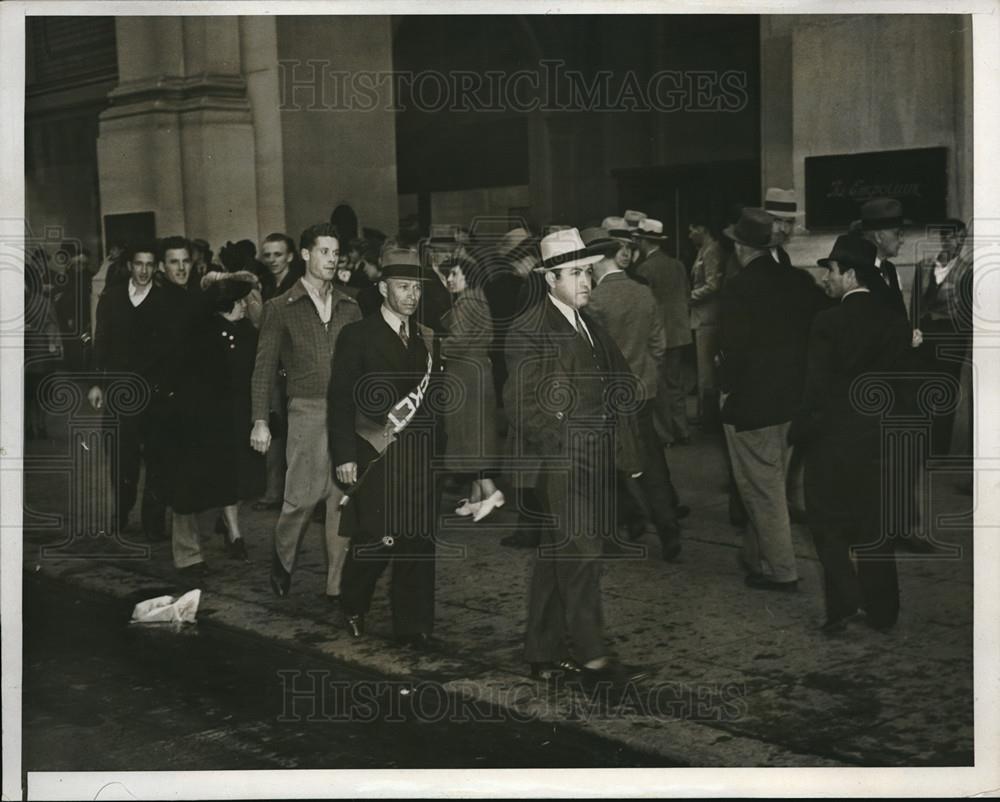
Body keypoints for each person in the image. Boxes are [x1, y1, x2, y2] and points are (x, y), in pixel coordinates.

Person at [505, 227, 646, 693]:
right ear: (549, 279)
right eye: (574, 273)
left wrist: (624, 446)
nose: (585, 280)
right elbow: (521, 403)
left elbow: (620, 382)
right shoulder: (530, 329)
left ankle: (543, 652)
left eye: (587, 271)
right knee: (582, 553)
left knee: (557, 554)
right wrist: (563, 443)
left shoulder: (590, 324)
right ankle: (593, 659)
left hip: (594, 454)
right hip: (564, 459)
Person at [791, 235, 911, 633]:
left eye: (832, 269)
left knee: (826, 524)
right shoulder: (895, 323)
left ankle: (843, 601)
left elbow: (815, 387)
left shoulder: (826, 321)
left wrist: (801, 432)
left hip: (832, 438)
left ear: (850, 274)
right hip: (878, 438)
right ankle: (883, 612)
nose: (827, 276)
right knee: (875, 526)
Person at [328, 247, 440, 647]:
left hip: (419, 455)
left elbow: (433, 403)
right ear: (382, 288)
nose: (411, 295)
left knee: (418, 541)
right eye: (403, 286)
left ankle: (414, 624)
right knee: (376, 539)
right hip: (376, 452)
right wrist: (343, 456)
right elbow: (340, 398)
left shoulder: (426, 338)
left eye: (416, 288)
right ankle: (353, 603)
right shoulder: (357, 335)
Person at [250, 223, 362, 602]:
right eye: (324, 252)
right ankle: (282, 562)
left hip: (346, 413)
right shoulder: (281, 308)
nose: (332, 259)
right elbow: (263, 368)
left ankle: (335, 583)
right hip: (306, 411)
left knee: (341, 498)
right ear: (305, 255)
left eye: (336, 253)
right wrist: (260, 420)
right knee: (300, 499)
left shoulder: (350, 305)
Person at [719, 207, 829, 592]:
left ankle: (782, 570)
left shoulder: (738, 288)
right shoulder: (798, 281)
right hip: (792, 401)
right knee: (768, 483)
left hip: (751, 405)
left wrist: (726, 387)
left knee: (761, 490)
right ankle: (756, 557)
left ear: (739, 247)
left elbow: (731, 350)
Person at [581, 225, 683, 560]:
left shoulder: (594, 301)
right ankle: (668, 530)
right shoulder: (643, 291)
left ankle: (622, 525)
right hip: (642, 392)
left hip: (609, 396)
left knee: (607, 462)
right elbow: (659, 344)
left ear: (596, 260)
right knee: (650, 460)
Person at [169, 271, 266, 576]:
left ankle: (227, 532)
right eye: (241, 300)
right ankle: (188, 556)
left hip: (230, 423)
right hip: (197, 424)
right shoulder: (201, 334)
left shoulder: (247, 334)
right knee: (188, 491)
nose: (246, 305)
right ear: (228, 304)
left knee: (226, 483)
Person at [88, 242, 168, 539]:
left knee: (159, 455)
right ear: (130, 266)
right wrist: (97, 382)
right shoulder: (112, 298)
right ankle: (121, 510)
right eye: (139, 264)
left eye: (150, 264)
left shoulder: (163, 299)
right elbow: (102, 339)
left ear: (156, 266)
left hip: (155, 390)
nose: (144, 270)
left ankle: (153, 522)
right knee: (122, 456)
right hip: (120, 391)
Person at [440, 250, 505, 522]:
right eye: (447, 275)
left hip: (465, 374)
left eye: (454, 273)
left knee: (468, 437)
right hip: (479, 372)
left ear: (468, 274)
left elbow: (458, 341)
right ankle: (477, 499)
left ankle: (491, 492)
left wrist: (435, 347)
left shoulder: (465, 303)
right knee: (478, 435)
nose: (449, 279)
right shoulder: (479, 299)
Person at [910, 219, 971, 456]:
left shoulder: (968, 270)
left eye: (961, 238)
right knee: (920, 390)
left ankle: (938, 452)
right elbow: (914, 303)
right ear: (943, 239)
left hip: (951, 338)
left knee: (945, 394)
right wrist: (913, 329)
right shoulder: (923, 266)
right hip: (923, 337)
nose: (957, 242)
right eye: (952, 237)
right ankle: (919, 447)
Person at [253, 232, 304, 513]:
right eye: (268, 255)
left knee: (294, 434)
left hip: (293, 371)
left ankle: (291, 495)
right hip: (275, 371)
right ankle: (275, 491)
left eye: (278, 254)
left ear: (290, 256)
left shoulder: (295, 286)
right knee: (275, 430)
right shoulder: (267, 287)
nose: (272, 260)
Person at [635, 218, 692, 446]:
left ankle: (665, 435)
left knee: (658, 386)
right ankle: (683, 430)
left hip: (658, 334)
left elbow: (645, 305)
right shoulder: (677, 264)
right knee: (675, 384)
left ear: (644, 242)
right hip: (679, 332)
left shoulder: (644, 269)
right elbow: (687, 293)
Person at [687, 219, 725, 428]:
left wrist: (689, 296)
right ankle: (705, 414)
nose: (690, 234)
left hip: (708, 317)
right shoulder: (704, 250)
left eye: (692, 229)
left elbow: (712, 284)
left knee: (707, 371)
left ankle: (708, 418)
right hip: (702, 316)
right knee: (704, 370)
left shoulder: (711, 251)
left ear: (703, 227)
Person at [763, 188, 803, 268]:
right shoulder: (753, 254)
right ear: (764, 219)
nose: (783, 228)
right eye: (777, 220)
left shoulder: (782, 255)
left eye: (788, 222)